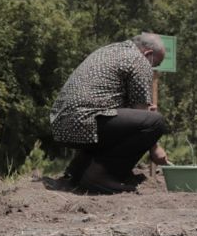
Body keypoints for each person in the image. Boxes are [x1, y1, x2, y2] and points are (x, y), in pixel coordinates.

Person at [50, 33, 169, 193]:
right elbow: (140, 111)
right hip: (85, 121)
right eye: (155, 63)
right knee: (155, 122)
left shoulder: (109, 50)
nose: (152, 68)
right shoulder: (139, 59)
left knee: (120, 124)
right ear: (148, 53)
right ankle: (100, 177)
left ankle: (77, 171)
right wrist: (155, 147)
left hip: (62, 124)